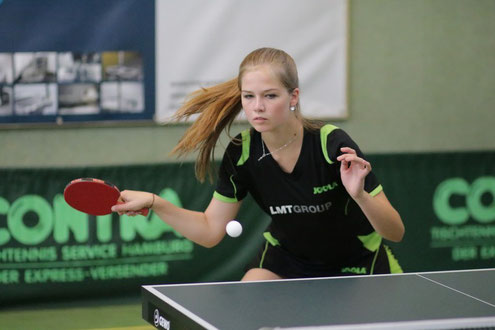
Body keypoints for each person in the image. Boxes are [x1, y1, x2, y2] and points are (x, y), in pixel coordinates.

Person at [112, 47, 405, 281]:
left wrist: (360, 196)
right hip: (286, 262)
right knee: (250, 300)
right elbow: (211, 231)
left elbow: (396, 232)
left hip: (357, 262)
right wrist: (155, 202)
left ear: (294, 97)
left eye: (270, 96)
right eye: (248, 97)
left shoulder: (331, 145)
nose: (257, 107)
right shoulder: (242, 153)